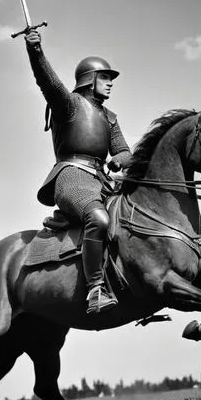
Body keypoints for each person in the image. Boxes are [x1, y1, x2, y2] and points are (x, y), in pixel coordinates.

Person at [25, 30, 132, 314]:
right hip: (72, 177)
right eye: (106, 78)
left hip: (102, 180)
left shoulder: (110, 118)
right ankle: (95, 289)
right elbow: (47, 82)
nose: (111, 84)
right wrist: (35, 52)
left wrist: (119, 160)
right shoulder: (69, 104)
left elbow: (124, 151)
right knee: (98, 217)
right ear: (90, 79)